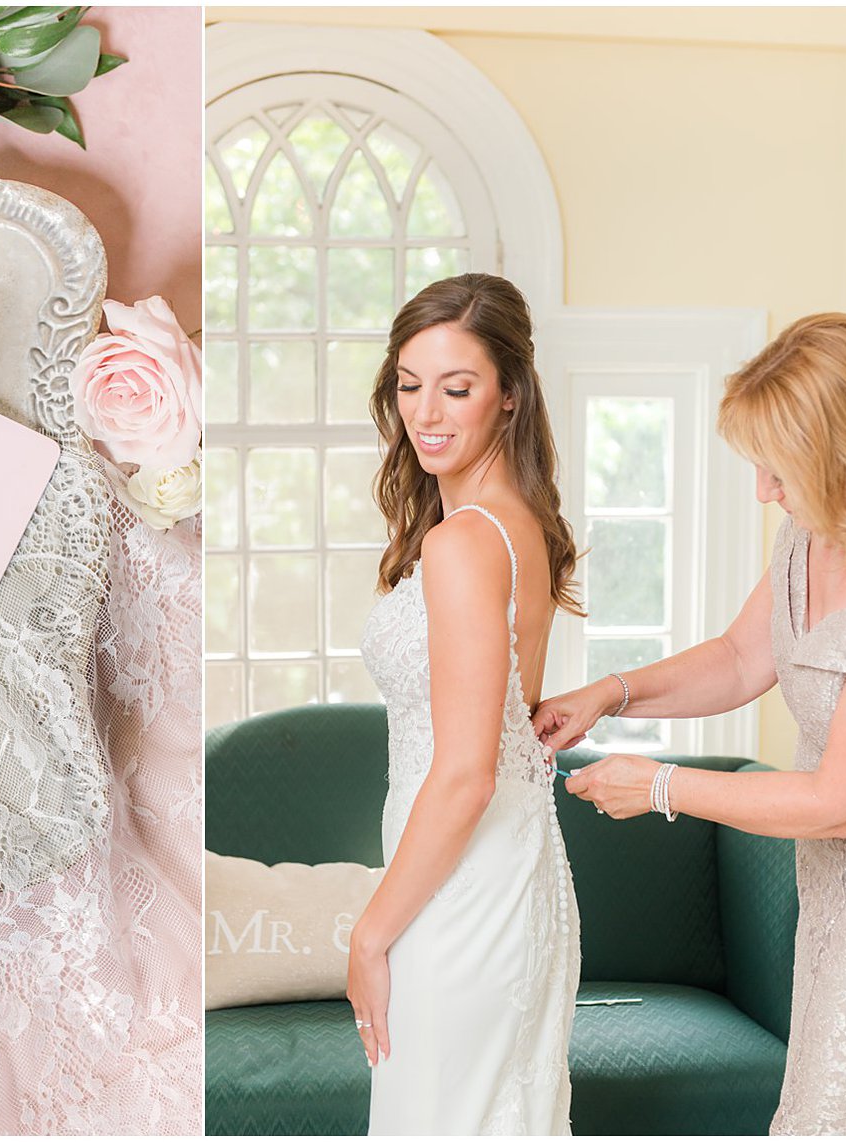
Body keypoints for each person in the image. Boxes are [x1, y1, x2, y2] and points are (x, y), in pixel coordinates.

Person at [534, 313, 846, 1135]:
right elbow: (738, 657)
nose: (763, 489)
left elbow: (843, 801)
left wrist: (660, 786)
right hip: (836, 885)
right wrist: (610, 693)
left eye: (777, 468)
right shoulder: (821, 515)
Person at [353, 273, 584, 1134]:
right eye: (410, 386)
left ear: (511, 397)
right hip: (505, 877)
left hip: (464, 893)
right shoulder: (519, 523)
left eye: (459, 388)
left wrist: (370, 934)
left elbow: (466, 776)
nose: (427, 413)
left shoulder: (463, 544)